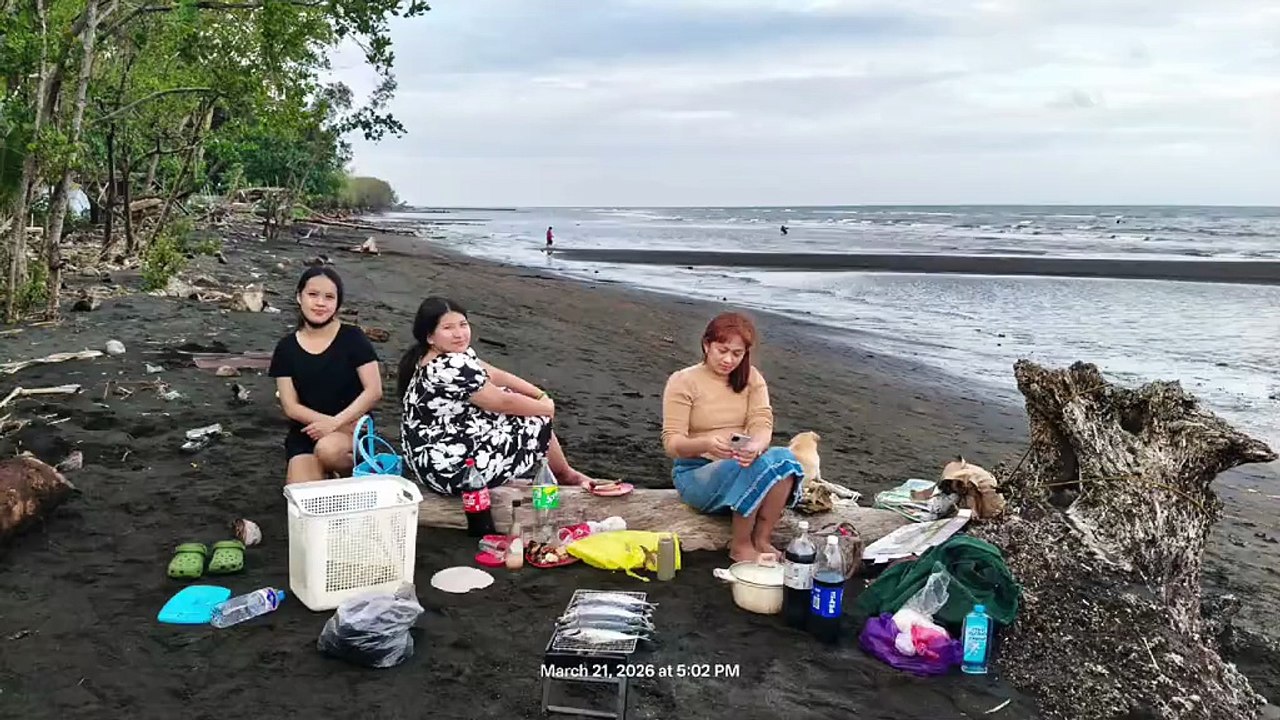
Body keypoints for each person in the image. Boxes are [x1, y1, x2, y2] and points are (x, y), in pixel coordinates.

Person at [397, 296, 597, 495]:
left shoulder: (438, 356)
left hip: (429, 460)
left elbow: (497, 375)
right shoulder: (449, 366)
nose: (459, 334)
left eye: (463, 325)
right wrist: (546, 408)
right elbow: (502, 402)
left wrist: (539, 395)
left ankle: (562, 472)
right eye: (448, 328)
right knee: (536, 418)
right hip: (451, 472)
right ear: (430, 337)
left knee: (522, 403)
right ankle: (565, 474)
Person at [661, 311, 805, 562]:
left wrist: (757, 445)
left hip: (741, 463)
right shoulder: (683, 381)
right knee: (748, 465)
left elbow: (761, 421)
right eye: (722, 350)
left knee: (784, 458)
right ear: (707, 345)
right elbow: (672, 443)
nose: (728, 360)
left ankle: (762, 538)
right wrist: (706, 444)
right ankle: (740, 545)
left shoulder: (751, 378)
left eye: (737, 354)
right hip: (696, 473)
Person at [269, 267, 383, 484]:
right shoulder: (286, 348)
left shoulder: (353, 338)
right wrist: (327, 423)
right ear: (299, 297)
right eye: (313, 294)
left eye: (329, 297)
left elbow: (374, 390)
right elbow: (290, 406)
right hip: (306, 431)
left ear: (337, 303)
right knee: (301, 494)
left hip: (351, 428)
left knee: (328, 450)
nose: (320, 303)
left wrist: (338, 423)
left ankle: (348, 475)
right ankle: (325, 473)